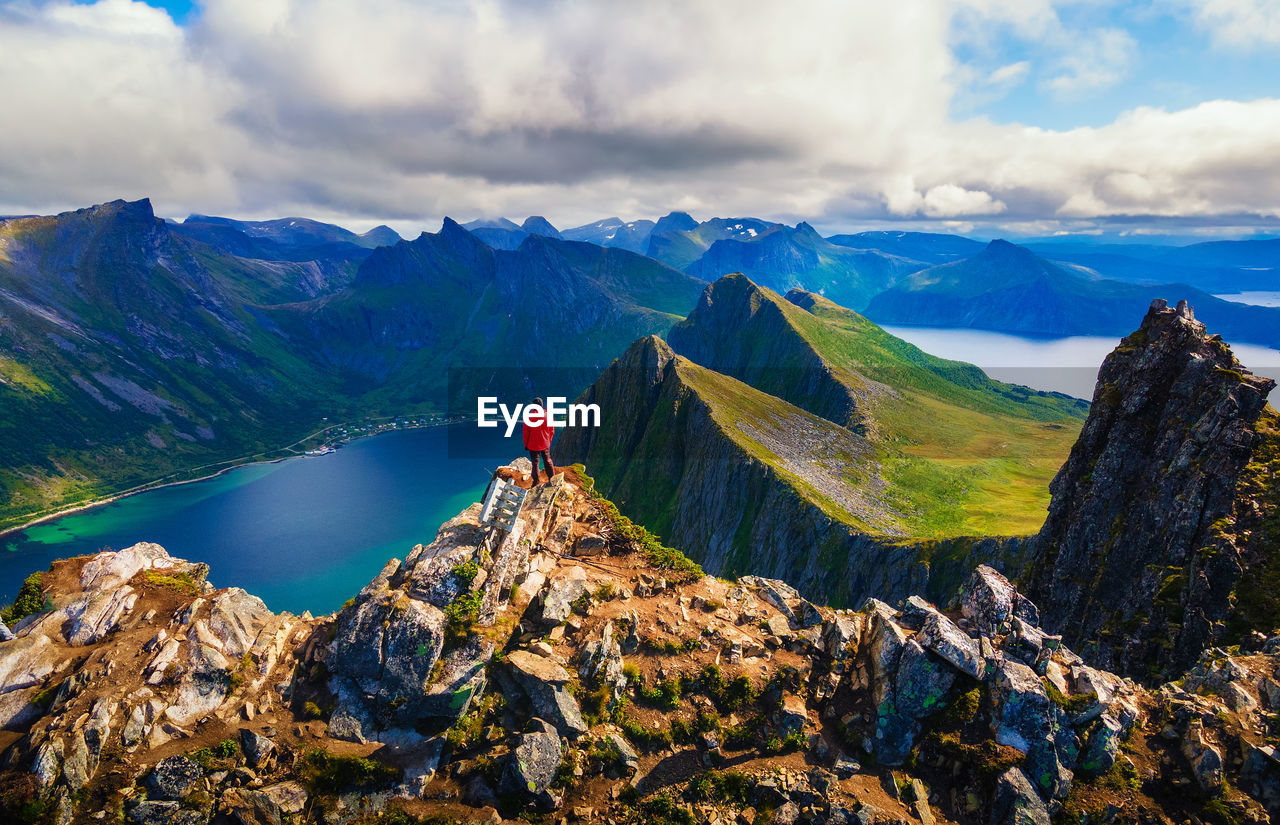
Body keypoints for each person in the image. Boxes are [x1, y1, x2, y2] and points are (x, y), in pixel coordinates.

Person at [522, 397, 556, 486]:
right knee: (548, 460)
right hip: (545, 443)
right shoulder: (548, 415)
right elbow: (551, 430)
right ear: (541, 405)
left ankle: (536, 482)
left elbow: (526, 432)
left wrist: (526, 444)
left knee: (535, 463)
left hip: (533, 445)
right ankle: (552, 479)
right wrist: (549, 442)